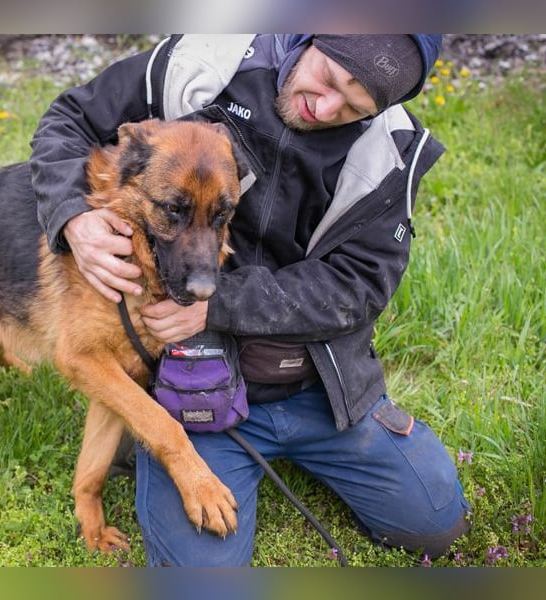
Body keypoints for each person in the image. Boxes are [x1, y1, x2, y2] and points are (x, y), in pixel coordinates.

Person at [29, 34, 471, 566]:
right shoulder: (203, 62)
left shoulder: (391, 152)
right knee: (203, 577)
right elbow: (68, 119)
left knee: (435, 520)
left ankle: (311, 446)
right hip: (197, 376)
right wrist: (71, 217)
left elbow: (357, 286)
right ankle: (172, 447)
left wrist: (217, 304)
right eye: (328, 78)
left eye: (354, 106)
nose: (325, 106)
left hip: (317, 385)